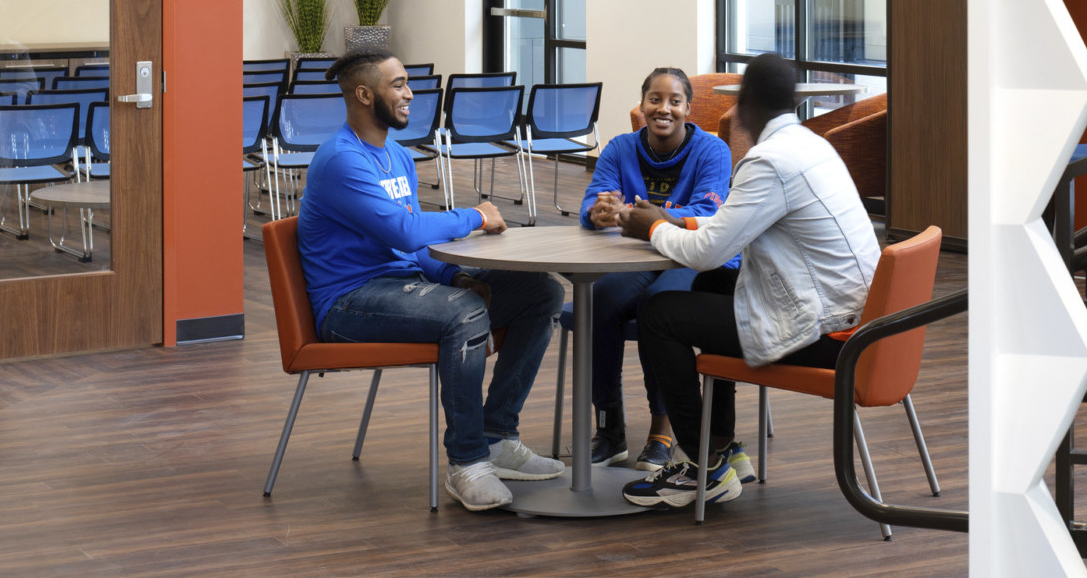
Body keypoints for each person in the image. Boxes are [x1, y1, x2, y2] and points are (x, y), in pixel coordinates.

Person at [297, 51, 565, 512]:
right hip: (349, 304)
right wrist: (475, 216)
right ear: (364, 94)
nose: (410, 94)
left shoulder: (396, 156)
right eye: (398, 85)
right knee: (464, 313)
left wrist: (455, 275)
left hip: (407, 285)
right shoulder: (341, 160)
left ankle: (497, 435)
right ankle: (467, 462)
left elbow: (412, 243)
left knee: (540, 291)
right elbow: (404, 231)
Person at [618, 54, 880, 509]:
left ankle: (705, 466)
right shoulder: (810, 145)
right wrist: (676, 222)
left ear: (746, 108)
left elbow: (708, 252)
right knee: (714, 286)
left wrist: (653, 228)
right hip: (859, 321)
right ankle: (722, 446)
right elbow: (731, 229)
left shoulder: (769, 162)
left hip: (829, 333)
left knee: (660, 313)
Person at [578, 67, 733, 472]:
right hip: (640, 256)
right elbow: (594, 201)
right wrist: (599, 213)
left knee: (659, 307)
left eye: (675, 101)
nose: (664, 109)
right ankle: (609, 428)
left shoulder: (712, 151)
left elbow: (708, 213)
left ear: (687, 108)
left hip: (693, 258)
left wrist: (646, 216)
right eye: (655, 99)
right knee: (599, 299)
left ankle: (662, 432)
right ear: (642, 104)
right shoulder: (619, 147)